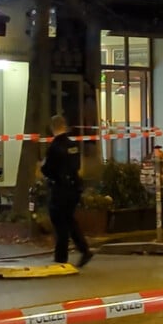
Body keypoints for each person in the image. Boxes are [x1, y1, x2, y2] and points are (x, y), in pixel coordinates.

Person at [41, 114, 93, 268]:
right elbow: (76, 166)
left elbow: (48, 169)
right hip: (74, 188)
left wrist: (43, 168)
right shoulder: (73, 145)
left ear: (52, 128)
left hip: (60, 188)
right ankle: (83, 250)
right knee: (68, 219)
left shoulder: (54, 147)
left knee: (58, 219)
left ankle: (61, 258)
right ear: (65, 126)